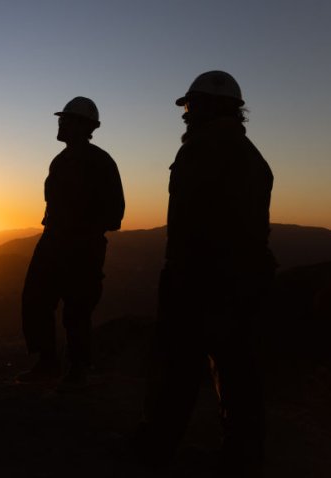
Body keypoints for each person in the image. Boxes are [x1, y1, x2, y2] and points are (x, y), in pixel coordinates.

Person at [135, 71, 275, 473]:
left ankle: (156, 449)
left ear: (213, 106)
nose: (186, 113)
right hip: (244, 278)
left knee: (176, 368)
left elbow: (192, 221)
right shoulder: (251, 154)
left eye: (191, 105)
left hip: (201, 278)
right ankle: (242, 457)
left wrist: (180, 274)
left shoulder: (202, 149)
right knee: (238, 371)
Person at [19, 97, 125, 387]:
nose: (60, 123)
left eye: (66, 120)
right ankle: (48, 363)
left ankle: (76, 371)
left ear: (83, 126)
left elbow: (115, 214)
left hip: (81, 246)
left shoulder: (100, 162)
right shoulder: (61, 161)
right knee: (36, 301)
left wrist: (79, 229)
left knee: (76, 310)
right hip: (54, 240)